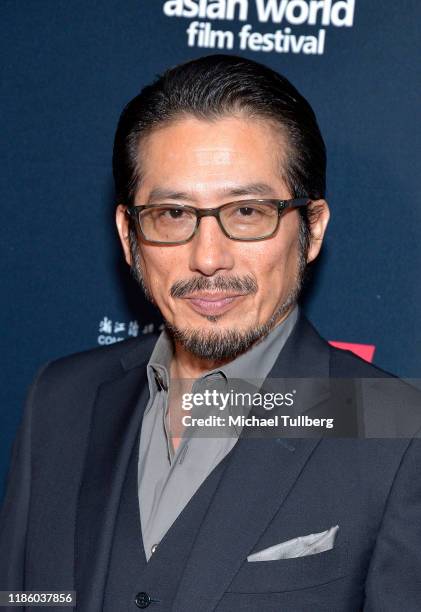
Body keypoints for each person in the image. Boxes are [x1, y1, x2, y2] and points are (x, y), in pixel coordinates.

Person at [0, 54, 420, 612]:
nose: (208, 258)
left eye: (248, 211)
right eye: (173, 214)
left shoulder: (398, 431)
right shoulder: (62, 394)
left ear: (312, 229)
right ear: (129, 234)